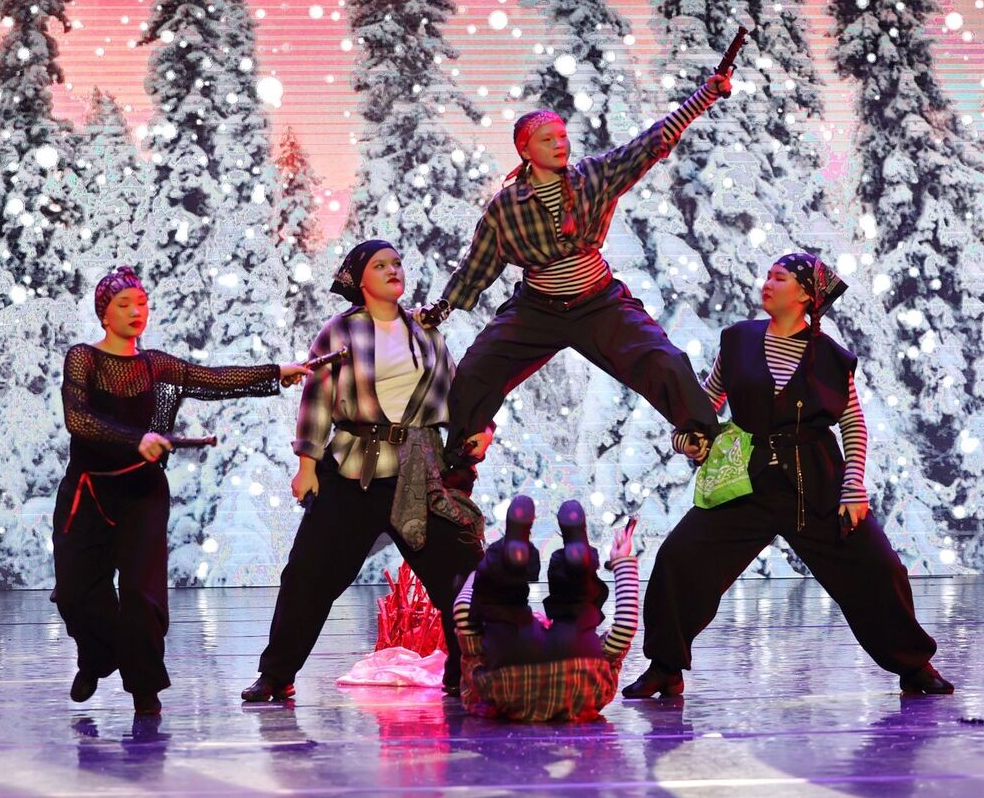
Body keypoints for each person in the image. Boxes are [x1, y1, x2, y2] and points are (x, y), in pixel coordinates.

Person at [625, 254, 953, 699]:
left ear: (804, 295)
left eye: (779, 278)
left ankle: (914, 667)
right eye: (767, 276)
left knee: (878, 568)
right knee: (679, 558)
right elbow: (706, 402)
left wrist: (853, 486)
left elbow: (853, 424)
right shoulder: (738, 340)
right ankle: (664, 667)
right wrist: (688, 436)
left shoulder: (832, 359)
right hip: (746, 480)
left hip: (815, 483)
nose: (767, 283)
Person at [416, 72, 733, 487]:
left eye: (563, 136)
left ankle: (706, 442)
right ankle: (460, 463)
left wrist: (704, 96)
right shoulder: (506, 206)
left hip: (599, 304)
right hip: (537, 310)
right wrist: (443, 308)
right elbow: (478, 265)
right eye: (547, 139)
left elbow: (649, 145)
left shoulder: (593, 177)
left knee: (664, 361)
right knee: (477, 370)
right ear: (525, 150)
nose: (560, 144)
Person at [57, 267, 311, 715]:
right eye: (123, 304)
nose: (135, 312)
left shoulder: (156, 365)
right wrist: (134, 438)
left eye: (141, 303)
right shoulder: (84, 358)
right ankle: (97, 658)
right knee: (77, 594)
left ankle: (145, 691)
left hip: (142, 492)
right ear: (104, 314)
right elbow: (78, 419)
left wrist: (276, 373)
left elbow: (213, 379)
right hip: (88, 491)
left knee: (141, 595)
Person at [242, 241, 487, 702]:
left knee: (461, 575)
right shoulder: (340, 331)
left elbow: (458, 392)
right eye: (380, 265)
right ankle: (277, 674)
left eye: (397, 263)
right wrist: (306, 464)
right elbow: (317, 397)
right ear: (360, 279)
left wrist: (479, 430)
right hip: (354, 469)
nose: (394, 270)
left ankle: (463, 671)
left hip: (419, 473)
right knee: (308, 575)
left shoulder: (426, 332)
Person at [451, 495, 642, 722]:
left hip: (511, 668)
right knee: (512, 608)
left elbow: (624, 628)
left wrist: (479, 578)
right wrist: (479, 581)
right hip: (574, 664)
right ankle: (572, 568)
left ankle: (529, 566)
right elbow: (462, 614)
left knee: (506, 612)